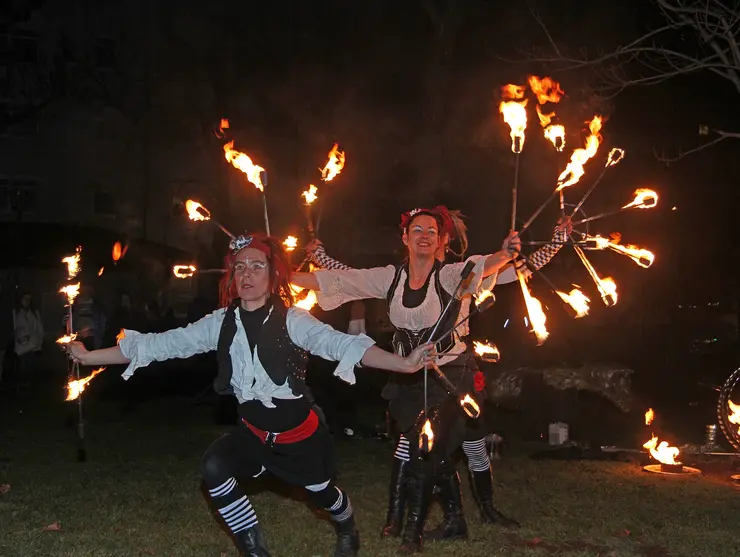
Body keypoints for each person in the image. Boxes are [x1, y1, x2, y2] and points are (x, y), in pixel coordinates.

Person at [65, 232, 436, 557]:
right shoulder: (220, 322)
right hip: (254, 436)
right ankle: (255, 551)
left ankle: (347, 529)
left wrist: (402, 364)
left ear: (274, 275)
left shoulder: (294, 320)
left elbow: (342, 345)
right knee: (214, 467)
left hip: (301, 438)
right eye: (240, 267)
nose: (247, 275)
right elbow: (162, 345)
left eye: (257, 266)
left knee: (322, 495)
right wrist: (90, 355)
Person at [301, 211, 570, 547]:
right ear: (406, 237)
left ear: (445, 239)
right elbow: (349, 277)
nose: (424, 235)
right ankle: (399, 518)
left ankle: (479, 511)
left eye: (433, 230)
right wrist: (308, 262)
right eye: (417, 230)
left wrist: (547, 244)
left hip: (453, 373)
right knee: (414, 445)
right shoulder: (394, 276)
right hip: (410, 375)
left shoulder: (460, 274)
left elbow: (516, 267)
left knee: (467, 445)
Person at [12, 291, 44, 392]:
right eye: (25, 299)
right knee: (22, 367)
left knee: (30, 366)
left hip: (33, 345)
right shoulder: (16, 312)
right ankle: (21, 387)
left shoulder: (34, 313)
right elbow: (14, 327)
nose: (27, 302)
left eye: (29, 300)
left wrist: (40, 342)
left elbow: (39, 328)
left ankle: (29, 388)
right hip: (20, 345)